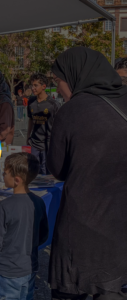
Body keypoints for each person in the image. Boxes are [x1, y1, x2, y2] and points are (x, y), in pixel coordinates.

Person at [47, 47, 127, 300]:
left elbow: (57, 170)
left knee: (74, 290)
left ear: (73, 76)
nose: (58, 88)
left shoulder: (71, 111)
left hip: (82, 226)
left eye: (58, 80)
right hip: (121, 222)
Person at [0, 152, 48, 300]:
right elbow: (43, 235)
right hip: (30, 266)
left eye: (5, 172)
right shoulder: (39, 202)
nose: (3, 174)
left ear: (16, 180)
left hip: (9, 270)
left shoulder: (4, 206)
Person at [27, 73, 60, 175]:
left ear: (43, 86)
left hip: (48, 144)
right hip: (34, 143)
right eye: (32, 85)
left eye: (35, 85)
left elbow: (58, 125)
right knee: (33, 171)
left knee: (47, 172)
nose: (33, 88)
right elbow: (31, 120)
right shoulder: (31, 101)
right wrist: (28, 137)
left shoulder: (53, 104)